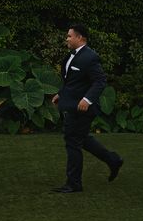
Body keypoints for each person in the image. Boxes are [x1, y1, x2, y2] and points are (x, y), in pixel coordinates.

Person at [51, 23, 123, 193]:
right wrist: (61, 94)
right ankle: (113, 160)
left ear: (80, 37)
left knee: (72, 141)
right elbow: (73, 82)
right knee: (81, 139)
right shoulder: (71, 56)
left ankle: (74, 184)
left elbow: (100, 81)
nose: (66, 38)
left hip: (83, 109)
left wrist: (87, 99)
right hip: (72, 105)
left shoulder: (90, 57)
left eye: (69, 36)